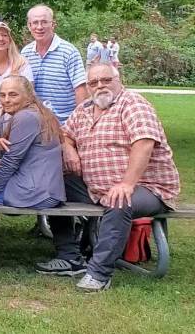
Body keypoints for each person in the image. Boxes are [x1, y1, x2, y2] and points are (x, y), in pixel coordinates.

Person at [38, 63, 180, 292]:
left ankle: (99, 273)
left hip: (146, 186)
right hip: (95, 186)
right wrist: (69, 147)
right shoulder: (84, 109)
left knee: (120, 201)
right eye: (93, 82)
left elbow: (143, 144)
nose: (99, 86)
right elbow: (64, 133)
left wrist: (126, 183)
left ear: (119, 80)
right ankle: (70, 256)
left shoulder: (133, 104)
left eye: (106, 80)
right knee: (50, 183)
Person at [0, 75, 65, 267]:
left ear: (28, 96)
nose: (6, 99)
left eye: (13, 95)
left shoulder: (26, 117)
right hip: (42, 188)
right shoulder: (30, 113)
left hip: (33, 192)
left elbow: (11, 161)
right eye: (2, 95)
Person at [20, 4, 87, 123]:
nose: (39, 27)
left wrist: (79, 122)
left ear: (53, 24)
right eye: (35, 23)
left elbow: (80, 89)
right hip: (36, 122)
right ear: (29, 26)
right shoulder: (26, 53)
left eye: (44, 22)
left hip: (65, 122)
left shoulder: (69, 52)